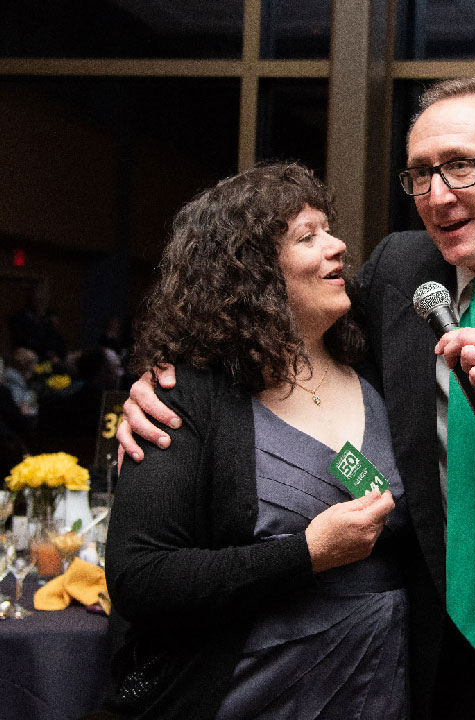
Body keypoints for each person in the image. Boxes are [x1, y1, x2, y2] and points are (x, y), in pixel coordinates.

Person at [118, 78, 475, 719]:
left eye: (459, 166)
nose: (437, 195)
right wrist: (162, 379)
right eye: (420, 174)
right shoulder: (401, 272)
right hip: (425, 677)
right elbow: (261, 321)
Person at [104, 162, 410, 720]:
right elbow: (141, 578)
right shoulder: (185, 397)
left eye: (329, 228)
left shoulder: (377, 369)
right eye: (307, 236)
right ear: (250, 273)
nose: (338, 245)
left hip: (382, 683)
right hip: (253, 690)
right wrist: (306, 554)